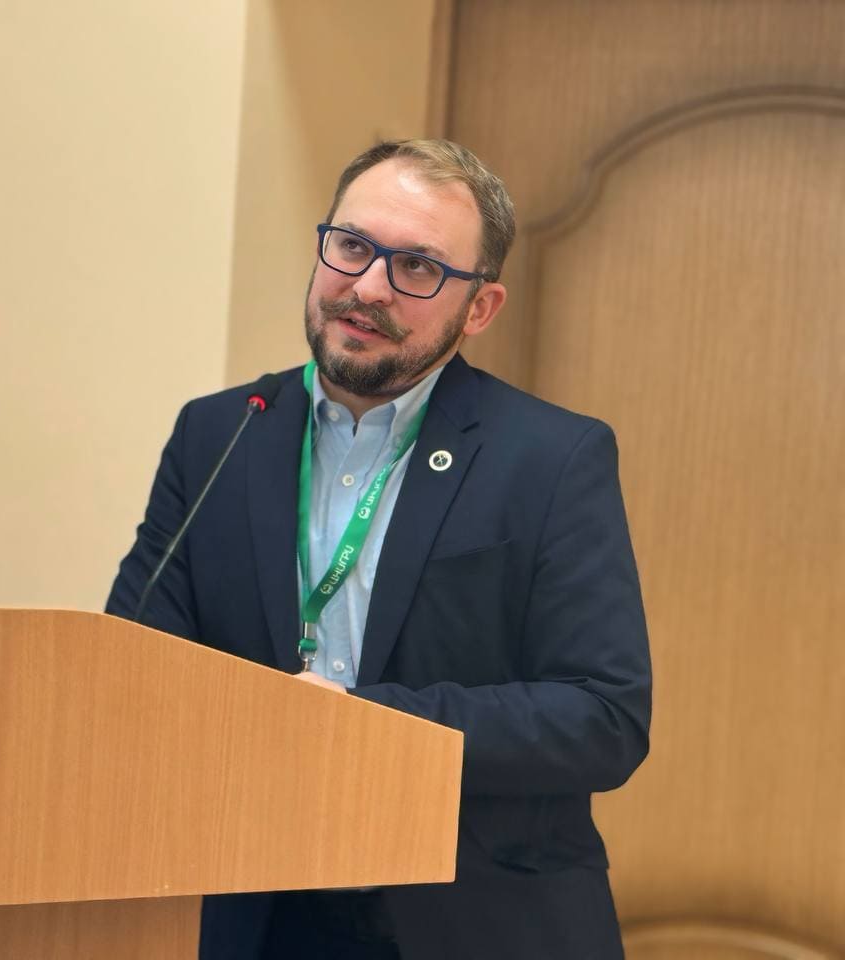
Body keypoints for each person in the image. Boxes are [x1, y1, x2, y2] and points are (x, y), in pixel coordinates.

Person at [107, 139, 651, 960]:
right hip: (252, 909)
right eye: (352, 246)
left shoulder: (550, 459)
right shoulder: (220, 434)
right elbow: (135, 666)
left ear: (480, 309)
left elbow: (603, 718)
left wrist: (365, 724)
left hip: (470, 917)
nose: (367, 288)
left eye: (418, 267)